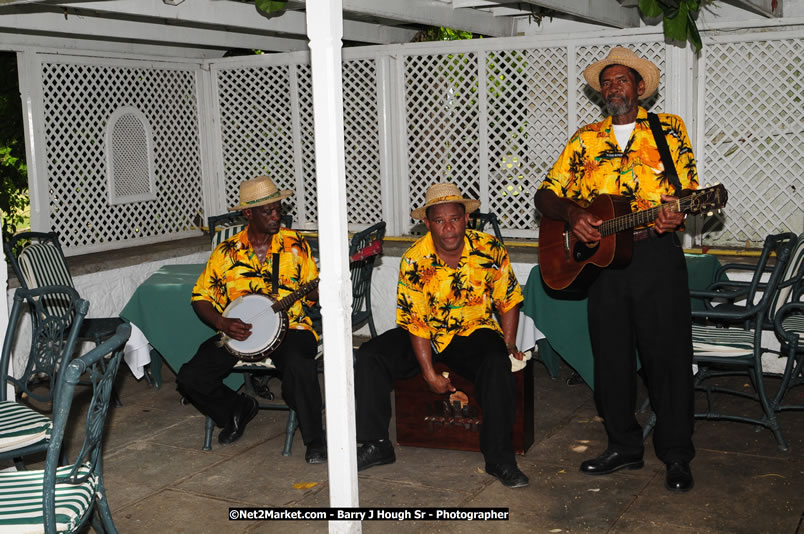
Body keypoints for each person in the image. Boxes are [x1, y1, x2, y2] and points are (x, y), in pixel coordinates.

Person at [534, 47, 698, 493]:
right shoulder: (585, 139)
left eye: (622, 80)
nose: (613, 87)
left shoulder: (669, 131)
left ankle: (677, 454)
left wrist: (675, 214)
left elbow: (687, 192)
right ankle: (623, 447)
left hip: (656, 256)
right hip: (603, 263)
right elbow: (545, 194)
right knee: (611, 361)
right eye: (606, 82)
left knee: (668, 360)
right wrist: (572, 214)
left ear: (640, 87)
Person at [353, 182, 529, 488]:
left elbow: (508, 298)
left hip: (472, 331)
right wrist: (429, 374)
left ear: (467, 219)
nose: (448, 228)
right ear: (427, 223)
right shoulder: (414, 258)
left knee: (496, 361)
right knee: (370, 356)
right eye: (439, 220)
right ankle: (376, 443)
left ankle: (500, 458)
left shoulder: (489, 249)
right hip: (427, 334)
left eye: (455, 219)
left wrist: (509, 341)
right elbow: (416, 322)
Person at [176, 175, 326, 464]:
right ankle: (236, 408)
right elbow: (200, 297)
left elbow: (313, 293)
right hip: (239, 332)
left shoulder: (296, 245)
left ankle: (315, 439)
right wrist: (222, 323)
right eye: (267, 211)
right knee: (190, 377)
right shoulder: (226, 252)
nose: (276, 216)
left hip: (292, 327)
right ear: (248, 214)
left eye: (278, 209)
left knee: (299, 364)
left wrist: (321, 290)